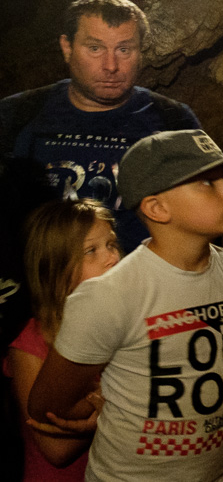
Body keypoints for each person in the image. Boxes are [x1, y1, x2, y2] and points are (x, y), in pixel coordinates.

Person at [28, 129, 223, 482]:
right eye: (207, 183)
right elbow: (46, 405)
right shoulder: (110, 295)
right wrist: (102, 408)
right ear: (157, 208)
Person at [0, 0, 199, 348]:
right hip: (33, 313)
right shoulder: (17, 116)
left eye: (124, 49)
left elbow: (202, 217)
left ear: (141, 51)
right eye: (95, 48)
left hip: (142, 314)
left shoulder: (172, 121)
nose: (110, 65)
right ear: (66, 46)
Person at [5, 200, 120, 480]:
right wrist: (119, 408)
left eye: (112, 244)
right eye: (91, 251)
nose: (113, 258)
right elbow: (56, 450)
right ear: (55, 270)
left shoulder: (121, 328)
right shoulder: (30, 345)